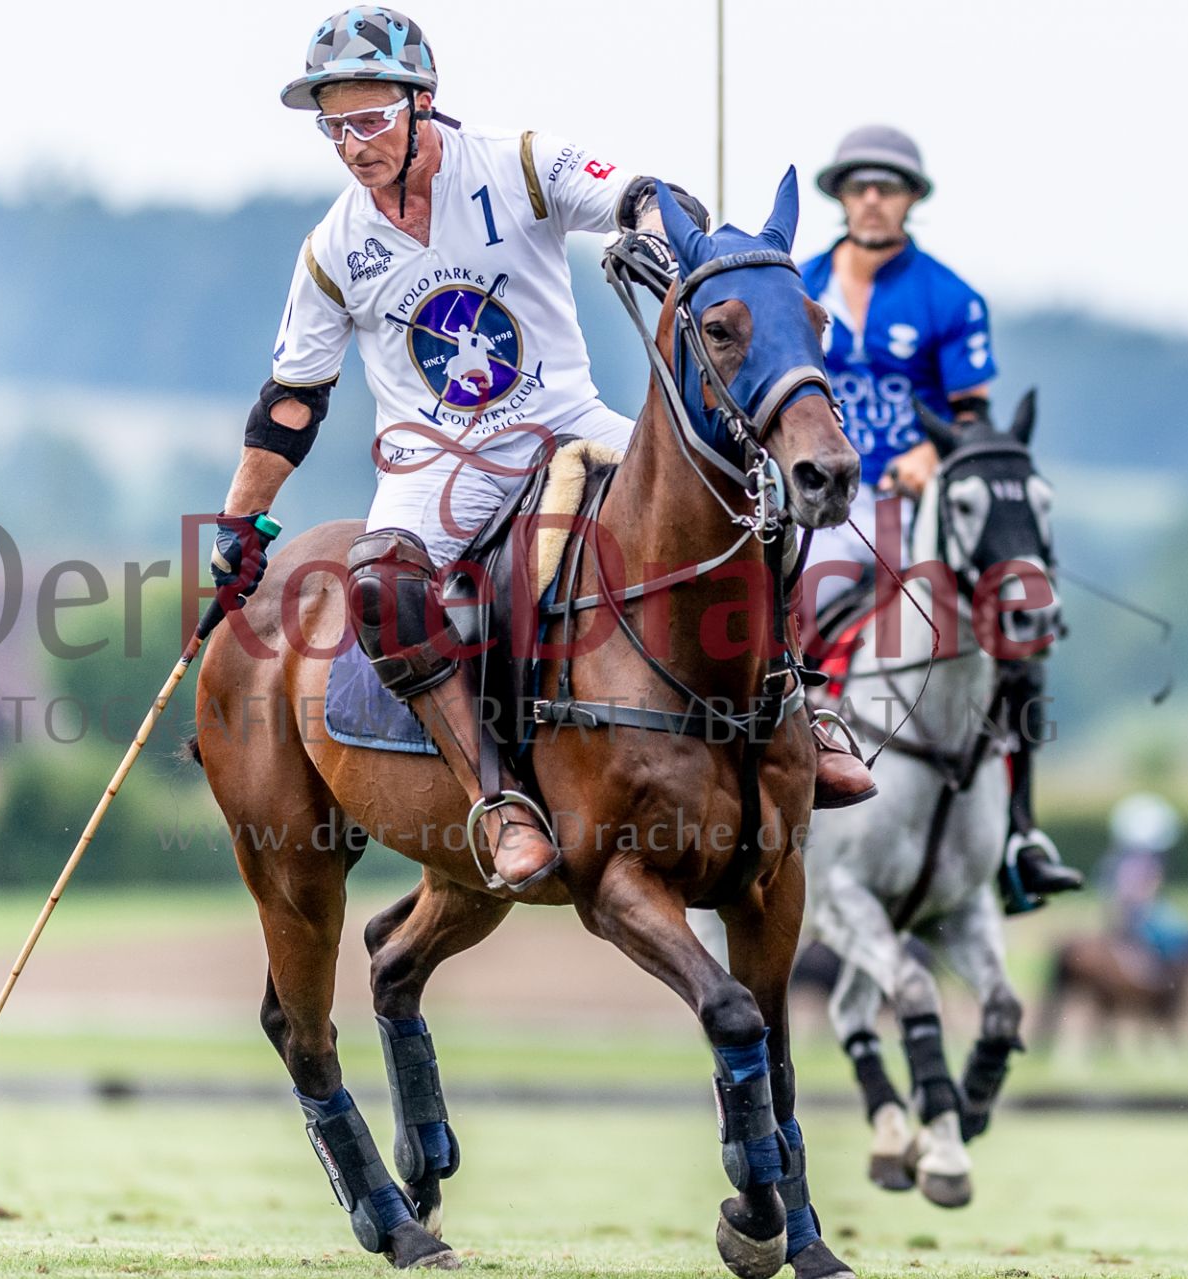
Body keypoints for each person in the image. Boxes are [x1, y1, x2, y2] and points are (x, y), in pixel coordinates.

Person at [204, 9, 882, 895]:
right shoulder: (334, 249)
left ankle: (799, 701)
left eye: (369, 119)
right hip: (433, 467)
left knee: (741, 496)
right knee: (378, 585)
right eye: (334, 126)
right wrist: (241, 519)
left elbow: (640, 194)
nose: (352, 145)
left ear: (421, 103)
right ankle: (498, 803)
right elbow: (292, 401)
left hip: (571, 425)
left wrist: (653, 226)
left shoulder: (516, 165)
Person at [799, 124, 1080, 913]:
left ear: (911, 199)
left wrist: (930, 453)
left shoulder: (949, 297)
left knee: (1013, 627)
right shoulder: (798, 284)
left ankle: (1020, 834)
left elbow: (973, 418)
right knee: (778, 619)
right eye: (859, 185)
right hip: (817, 499)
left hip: (915, 504)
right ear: (841, 195)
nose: (873, 198)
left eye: (888, 186)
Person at [1098, 793, 1188, 983]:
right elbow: (1141, 892)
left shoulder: (1120, 858)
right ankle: (1165, 982)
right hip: (1140, 912)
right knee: (1181, 937)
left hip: (1131, 910)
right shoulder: (1146, 861)